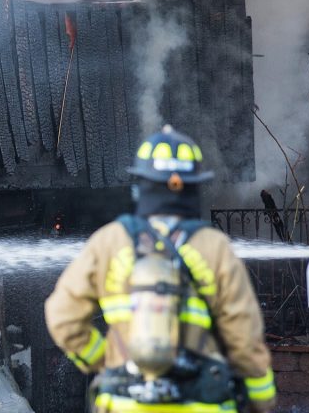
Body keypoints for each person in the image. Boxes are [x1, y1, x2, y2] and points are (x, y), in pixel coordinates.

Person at [45, 125, 276, 413]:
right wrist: (261, 399)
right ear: (193, 186)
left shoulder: (109, 241)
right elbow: (244, 336)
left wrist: (104, 360)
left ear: (140, 185)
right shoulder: (213, 246)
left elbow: (62, 316)